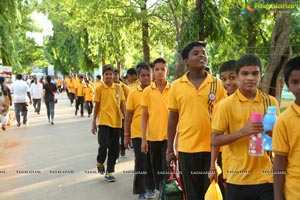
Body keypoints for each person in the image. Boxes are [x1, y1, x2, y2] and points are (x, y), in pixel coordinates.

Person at [209, 53, 280, 200]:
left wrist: (272, 133)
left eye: (255, 73)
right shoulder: (225, 106)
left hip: (266, 177)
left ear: (261, 75)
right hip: (237, 178)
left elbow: (278, 139)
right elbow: (215, 141)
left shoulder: (270, 102)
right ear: (238, 76)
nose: (250, 78)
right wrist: (243, 132)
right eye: (245, 73)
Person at [166, 41, 226, 200]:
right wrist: (170, 150)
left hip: (213, 149)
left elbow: (224, 116)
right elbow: (173, 119)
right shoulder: (177, 86)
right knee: (192, 194)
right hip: (187, 149)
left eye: (203, 53)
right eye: (196, 53)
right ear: (186, 61)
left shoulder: (216, 84)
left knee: (212, 193)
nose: (201, 55)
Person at [124, 62, 154, 200]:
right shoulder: (133, 93)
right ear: (138, 77)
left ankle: (151, 187)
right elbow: (128, 116)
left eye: (148, 75)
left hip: (155, 134)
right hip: (137, 134)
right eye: (143, 75)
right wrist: (126, 135)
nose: (146, 78)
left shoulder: (156, 91)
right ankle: (141, 191)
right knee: (141, 162)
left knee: (151, 162)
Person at [141, 58, 171, 194]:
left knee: (167, 166)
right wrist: (143, 139)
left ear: (167, 71)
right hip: (153, 137)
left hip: (169, 137)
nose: (160, 72)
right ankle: (161, 190)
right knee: (156, 167)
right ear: (153, 71)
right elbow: (144, 115)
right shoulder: (147, 91)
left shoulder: (174, 89)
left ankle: (166, 192)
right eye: (157, 69)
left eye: (162, 69)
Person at [91, 64, 126, 182]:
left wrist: (126, 120)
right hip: (104, 121)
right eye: (106, 74)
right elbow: (96, 106)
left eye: (111, 74)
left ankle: (110, 172)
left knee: (114, 149)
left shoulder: (118, 88)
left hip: (116, 122)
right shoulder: (99, 88)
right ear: (103, 76)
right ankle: (100, 161)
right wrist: (93, 122)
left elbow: (122, 104)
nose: (109, 76)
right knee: (103, 144)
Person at [273, 56, 300, 200]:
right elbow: (279, 163)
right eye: (294, 82)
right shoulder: (283, 121)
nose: (299, 86)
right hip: (295, 193)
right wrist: (278, 197)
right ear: (288, 86)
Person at [113, 68, 130, 157]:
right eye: (113, 74)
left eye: (116, 74)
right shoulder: (108, 86)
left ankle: (122, 149)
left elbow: (130, 98)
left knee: (123, 134)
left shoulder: (124, 87)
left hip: (123, 115)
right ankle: (116, 150)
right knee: (115, 135)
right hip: (112, 116)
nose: (115, 76)